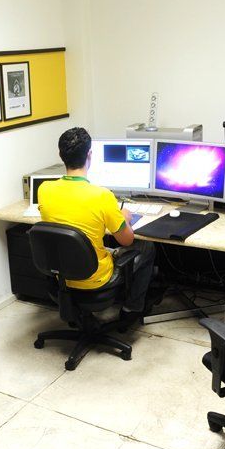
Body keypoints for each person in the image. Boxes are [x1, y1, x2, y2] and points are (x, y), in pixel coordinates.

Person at [37, 127, 156, 325]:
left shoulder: (45, 189)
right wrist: (123, 217)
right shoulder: (102, 196)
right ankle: (131, 309)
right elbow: (127, 240)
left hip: (62, 275)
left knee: (97, 246)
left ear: (60, 155)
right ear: (90, 155)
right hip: (96, 277)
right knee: (147, 247)